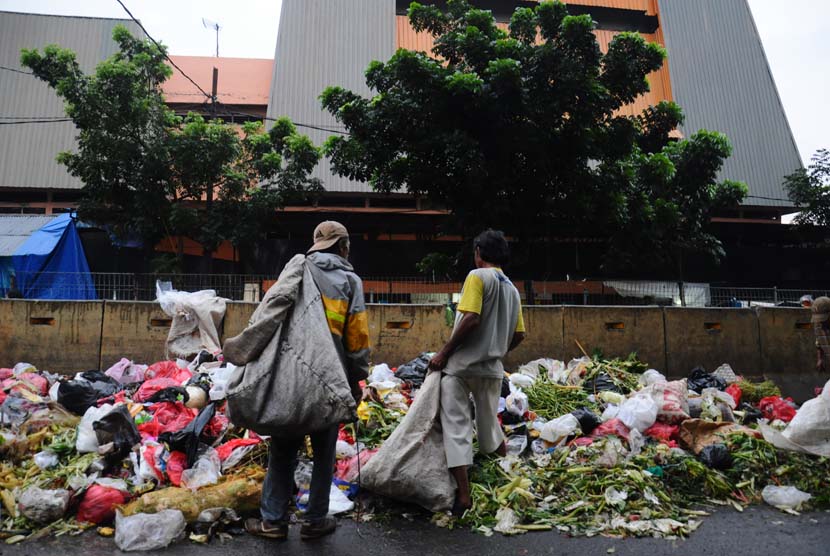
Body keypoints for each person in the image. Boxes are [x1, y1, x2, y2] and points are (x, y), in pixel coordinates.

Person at [246, 221, 370, 541]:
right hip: (331, 381)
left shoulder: (296, 271)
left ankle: (273, 521)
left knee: (283, 451)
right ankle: (315, 520)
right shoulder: (350, 282)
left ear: (316, 246)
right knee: (324, 453)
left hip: (292, 378)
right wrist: (357, 380)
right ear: (343, 247)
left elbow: (271, 318)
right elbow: (356, 341)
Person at [428, 230, 525, 514]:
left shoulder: (477, 276)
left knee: (457, 427)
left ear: (479, 252)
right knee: (489, 426)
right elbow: (519, 334)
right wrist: (496, 348)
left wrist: (444, 353)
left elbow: (471, 318)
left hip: (461, 367)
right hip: (492, 369)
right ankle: (507, 478)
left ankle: (464, 496)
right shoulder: (512, 288)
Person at [812, 296, 830, 372]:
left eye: (824, 318)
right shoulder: (818, 324)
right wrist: (820, 359)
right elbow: (819, 342)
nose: (821, 322)